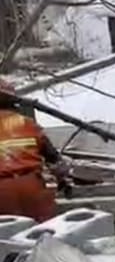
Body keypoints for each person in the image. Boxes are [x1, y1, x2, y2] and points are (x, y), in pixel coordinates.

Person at [0, 80, 68, 221]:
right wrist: (63, 181)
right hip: (33, 188)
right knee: (43, 236)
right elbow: (55, 161)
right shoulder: (27, 123)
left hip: (2, 192)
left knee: (7, 239)